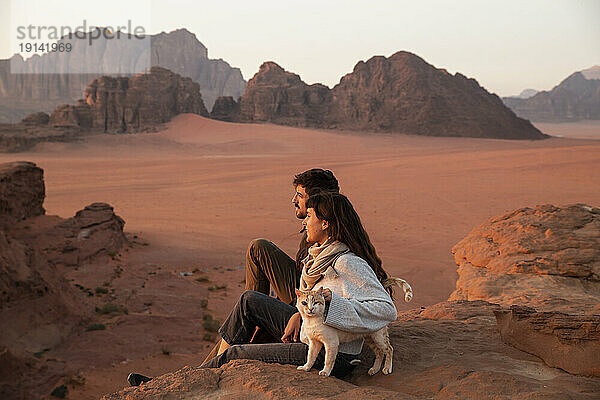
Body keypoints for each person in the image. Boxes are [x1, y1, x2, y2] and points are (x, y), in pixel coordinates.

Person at [197, 192, 397, 379]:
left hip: (330, 353)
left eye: (309, 216)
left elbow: (387, 309)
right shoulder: (319, 258)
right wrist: (297, 313)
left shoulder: (347, 262)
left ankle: (202, 378)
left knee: (235, 354)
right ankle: (209, 368)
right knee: (248, 300)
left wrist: (334, 304)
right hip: (310, 332)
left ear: (325, 223)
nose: (305, 222)